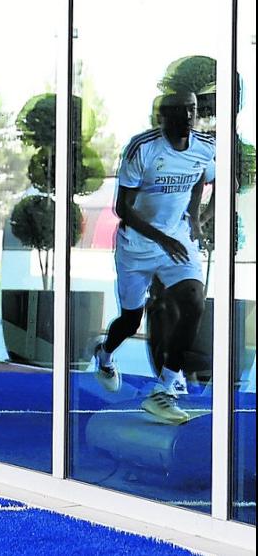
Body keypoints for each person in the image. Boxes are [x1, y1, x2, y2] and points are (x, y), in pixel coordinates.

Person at [93, 92, 215, 425]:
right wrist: (161, 238)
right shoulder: (143, 148)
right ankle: (105, 355)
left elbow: (213, 180)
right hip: (136, 247)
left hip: (177, 241)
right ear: (162, 117)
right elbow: (122, 208)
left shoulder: (205, 147)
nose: (187, 117)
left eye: (191, 110)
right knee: (130, 320)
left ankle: (165, 388)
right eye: (178, 112)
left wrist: (196, 219)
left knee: (194, 301)